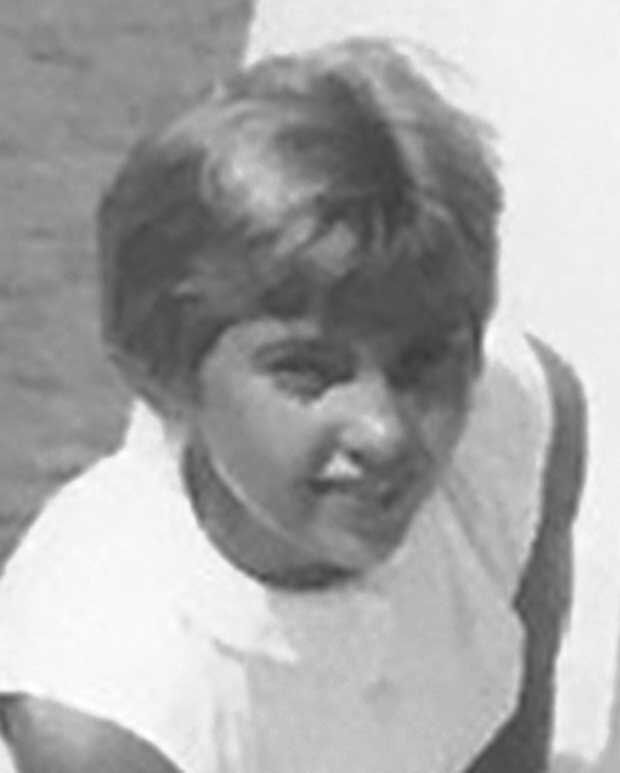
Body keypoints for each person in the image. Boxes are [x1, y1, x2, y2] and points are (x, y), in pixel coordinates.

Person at [0, 38, 586, 773]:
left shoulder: (516, 426)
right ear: (168, 373)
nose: (384, 431)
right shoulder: (113, 698)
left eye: (424, 362)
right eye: (307, 372)